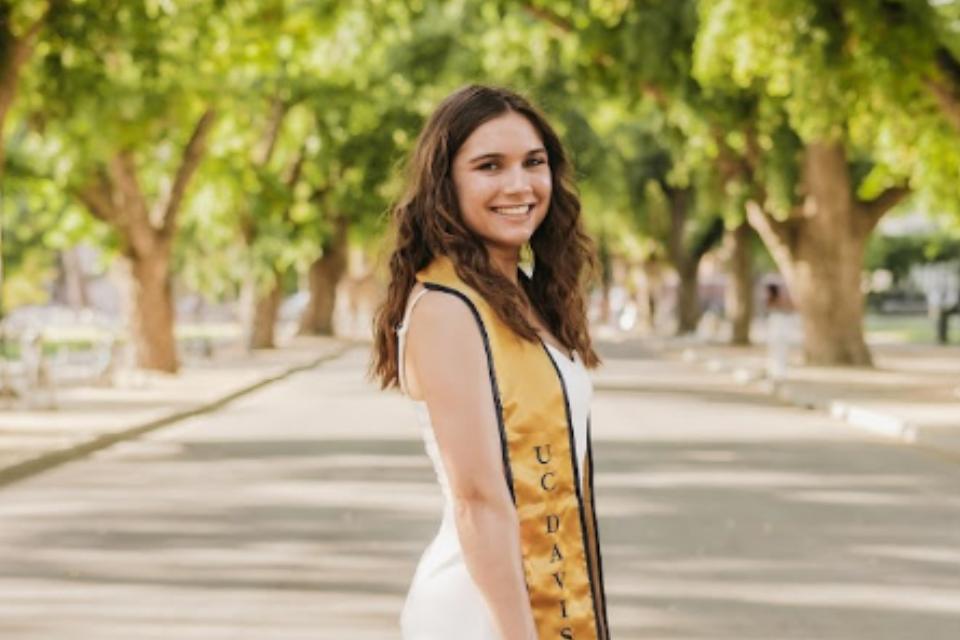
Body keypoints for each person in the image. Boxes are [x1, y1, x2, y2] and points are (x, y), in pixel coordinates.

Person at [370, 85, 610, 640]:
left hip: (529, 597)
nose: (518, 185)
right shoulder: (447, 309)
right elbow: (478, 499)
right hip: (480, 611)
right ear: (445, 184)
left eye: (534, 163)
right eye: (488, 166)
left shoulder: (523, 298)